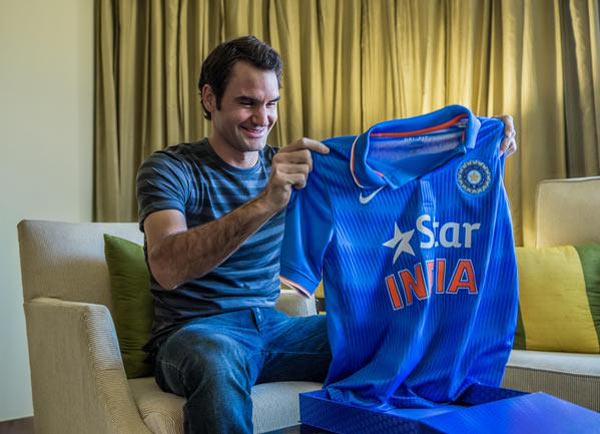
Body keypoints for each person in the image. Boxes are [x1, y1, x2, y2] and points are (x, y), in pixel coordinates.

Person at [136, 35, 517, 434]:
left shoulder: (298, 169)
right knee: (215, 357)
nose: (262, 117)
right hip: (194, 332)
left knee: (399, 327)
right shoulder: (170, 169)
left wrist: (480, 140)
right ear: (210, 99)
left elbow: (394, 173)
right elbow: (167, 265)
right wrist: (266, 202)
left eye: (271, 104)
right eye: (247, 102)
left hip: (276, 326)